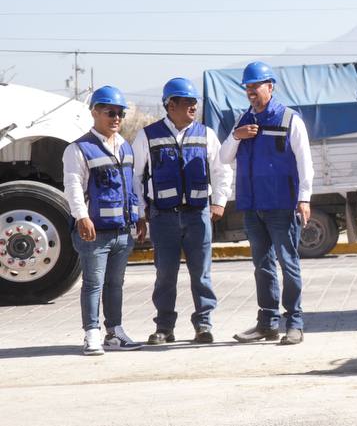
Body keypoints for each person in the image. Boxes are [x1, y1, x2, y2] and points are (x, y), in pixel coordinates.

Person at [219, 61, 314, 346]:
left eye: (255, 86)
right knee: (262, 266)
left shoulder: (289, 120)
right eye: (247, 87)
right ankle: (268, 323)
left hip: (282, 205)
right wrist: (237, 136)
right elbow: (224, 157)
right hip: (252, 205)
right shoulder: (242, 121)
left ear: (270, 87)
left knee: (288, 263)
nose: (250, 91)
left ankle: (294, 323)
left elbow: (305, 162)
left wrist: (304, 198)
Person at [132, 77, 231, 345]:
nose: (193, 107)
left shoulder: (206, 134)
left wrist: (220, 200)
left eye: (194, 102)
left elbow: (221, 169)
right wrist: (140, 212)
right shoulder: (147, 136)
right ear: (170, 104)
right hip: (163, 217)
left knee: (202, 274)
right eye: (187, 102)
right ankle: (164, 327)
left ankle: (204, 325)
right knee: (165, 274)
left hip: (198, 215)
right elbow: (135, 176)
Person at [64, 86, 144, 355]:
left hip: (123, 231)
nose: (116, 117)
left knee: (115, 284)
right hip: (94, 232)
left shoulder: (126, 146)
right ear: (95, 112)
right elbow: (73, 186)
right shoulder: (79, 149)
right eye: (110, 112)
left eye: (120, 112)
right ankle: (92, 334)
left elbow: (134, 186)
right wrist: (82, 217)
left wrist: (140, 216)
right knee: (93, 284)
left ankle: (115, 332)